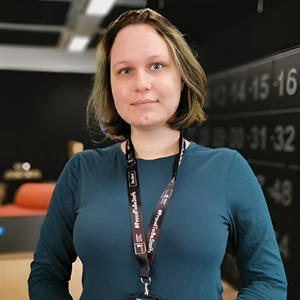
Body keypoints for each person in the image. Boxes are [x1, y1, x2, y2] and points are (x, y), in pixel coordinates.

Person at [28, 8, 287, 300]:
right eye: (125, 70)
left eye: (156, 66)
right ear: (110, 85)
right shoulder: (81, 171)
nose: (141, 84)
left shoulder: (228, 169)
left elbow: (268, 281)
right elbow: (46, 275)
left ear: (181, 77)